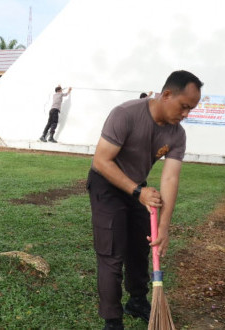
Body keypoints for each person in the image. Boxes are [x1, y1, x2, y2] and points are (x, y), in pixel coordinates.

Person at [87, 70, 203, 330]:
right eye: (184, 107)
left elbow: (170, 179)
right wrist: (138, 192)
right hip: (107, 183)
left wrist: (164, 227)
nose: (186, 115)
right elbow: (101, 161)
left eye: (191, 109)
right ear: (167, 95)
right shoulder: (125, 114)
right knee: (111, 253)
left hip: (138, 189)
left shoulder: (177, 135)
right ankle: (112, 320)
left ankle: (137, 300)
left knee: (140, 248)